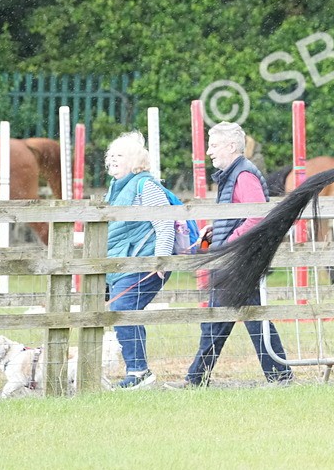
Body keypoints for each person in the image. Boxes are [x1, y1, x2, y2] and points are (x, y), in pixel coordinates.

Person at [177, 122, 293, 387]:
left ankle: (197, 379)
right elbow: (239, 215)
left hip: (238, 259)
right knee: (230, 320)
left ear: (231, 146)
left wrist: (230, 241)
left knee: (230, 320)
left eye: (214, 145)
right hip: (236, 258)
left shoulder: (243, 175)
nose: (209, 151)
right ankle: (278, 376)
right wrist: (216, 229)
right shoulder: (234, 174)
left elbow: (257, 215)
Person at [103, 131, 172, 390]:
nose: (112, 159)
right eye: (111, 155)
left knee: (123, 308)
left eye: (119, 155)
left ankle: (139, 371)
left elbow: (165, 222)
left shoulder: (146, 185)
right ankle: (138, 371)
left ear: (135, 161)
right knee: (124, 311)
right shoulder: (115, 188)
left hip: (144, 262)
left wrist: (160, 260)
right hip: (122, 264)